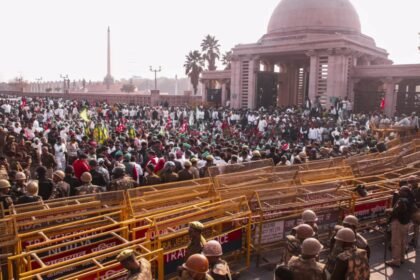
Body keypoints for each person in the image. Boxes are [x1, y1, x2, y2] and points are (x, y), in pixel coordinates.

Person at [386, 185, 415, 267]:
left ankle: (396, 261)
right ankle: (401, 258)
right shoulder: (410, 199)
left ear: (405, 192)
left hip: (398, 223)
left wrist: (388, 210)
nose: (399, 192)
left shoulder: (402, 201)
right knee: (402, 241)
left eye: (401, 191)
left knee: (396, 242)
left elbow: (396, 211)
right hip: (406, 223)